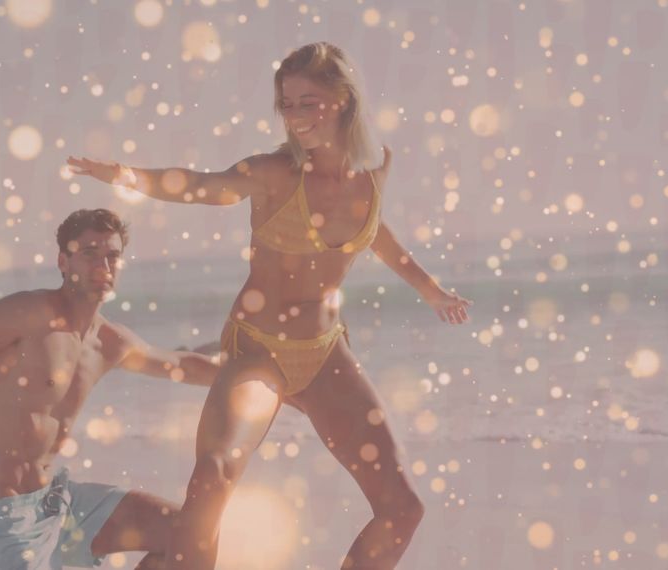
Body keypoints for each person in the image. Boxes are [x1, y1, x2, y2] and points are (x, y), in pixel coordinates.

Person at [68, 42, 472, 569]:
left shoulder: (375, 171)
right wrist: (124, 173)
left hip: (325, 355)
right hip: (257, 352)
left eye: (309, 102)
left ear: (344, 100)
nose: (296, 116)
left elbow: (376, 234)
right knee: (212, 477)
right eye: (287, 103)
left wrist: (430, 290)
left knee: (402, 509)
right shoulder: (274, 172)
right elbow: (200, 187)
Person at [0, 208, 220, 569]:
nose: (103, 266)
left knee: (189, 534)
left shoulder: (110, 342)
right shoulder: (26, 314)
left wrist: (264, 368)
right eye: (89, 253)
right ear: (64, 261)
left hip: (58, 503)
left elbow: (183, 364)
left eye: (112, 255)